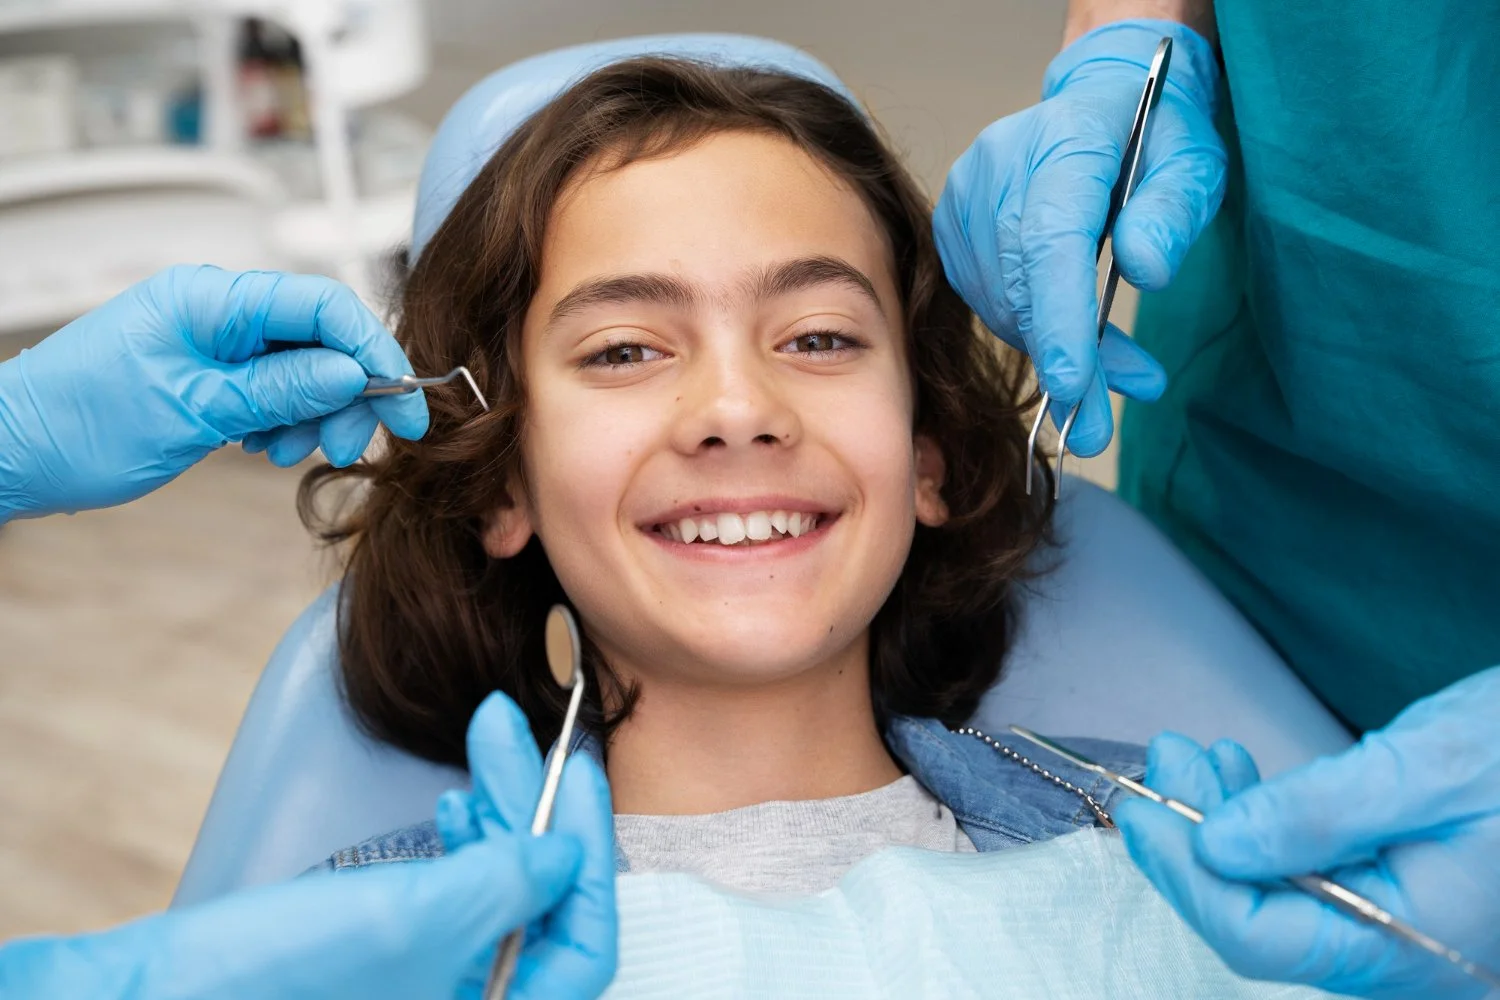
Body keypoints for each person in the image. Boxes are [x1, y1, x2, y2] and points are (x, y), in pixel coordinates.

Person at [933, 2, 1500, 997]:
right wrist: (1132, 27)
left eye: (815, 337)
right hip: (1284, 505)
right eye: (626, 350)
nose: (736, 409)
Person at [0, 266, 617, 999]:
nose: (735, 409)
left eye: (798, 340)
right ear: (504, 491)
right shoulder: (383, 910)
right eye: (626, 351)